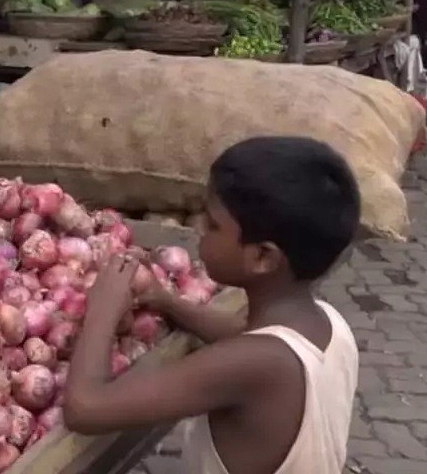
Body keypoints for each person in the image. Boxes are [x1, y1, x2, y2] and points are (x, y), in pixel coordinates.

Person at [63, 136, 360, 473]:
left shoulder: (253, 364)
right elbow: (238, 332)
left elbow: (84, 409)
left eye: (214, 225)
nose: (200, 230)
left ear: (263, 256)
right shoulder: (328, 323)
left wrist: (102, 309)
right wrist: (166, 301)